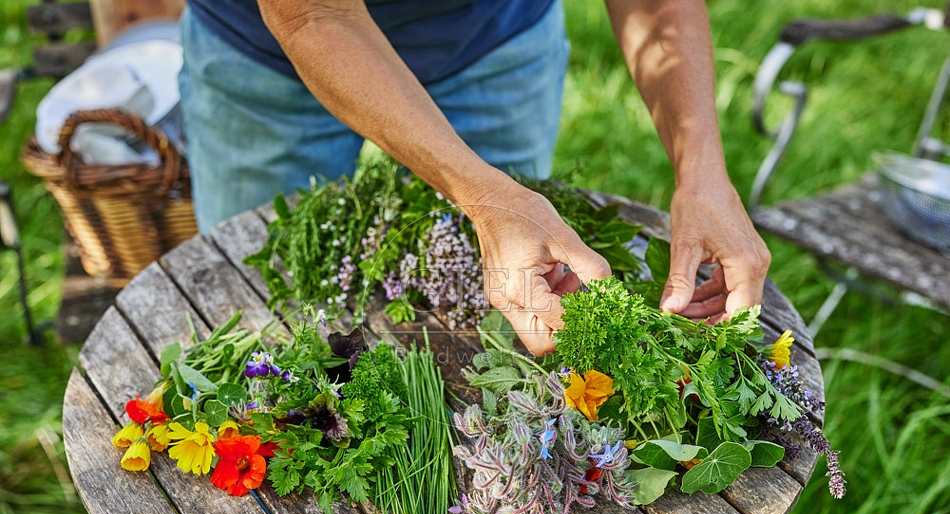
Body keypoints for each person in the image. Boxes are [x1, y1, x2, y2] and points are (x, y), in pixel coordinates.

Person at [178, 0, 770, 356]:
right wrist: (486, 197)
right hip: (268, 56)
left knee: (521, 297)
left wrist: (702, 174)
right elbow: (314, 11)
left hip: (492, 38)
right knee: (260, 311)